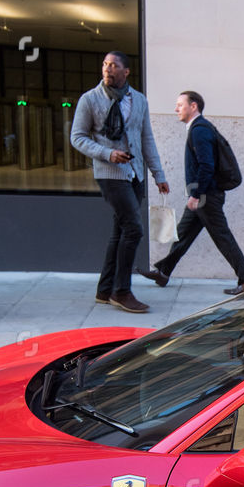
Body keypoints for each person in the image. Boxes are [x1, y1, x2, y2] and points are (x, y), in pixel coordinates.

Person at [70, 50, 168, 314]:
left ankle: (105, 290)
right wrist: (108, 154)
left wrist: (158, 175)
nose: (107, 69)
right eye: (104, 64)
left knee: (120, 232)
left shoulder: (139, 100)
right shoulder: (90, 100)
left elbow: (147, 139)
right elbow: (77, 137)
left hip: (134, 174)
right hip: (109, 174)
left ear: (126, 71)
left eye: (113, 65)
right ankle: (121, 291)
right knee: (134, 229)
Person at [145, 91, 244, 295]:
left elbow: (206, 166)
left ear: (193, 106)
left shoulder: (199, 130)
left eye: (180, 104)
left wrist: (196, 195)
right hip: (203, 195)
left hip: (206, 196)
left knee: (222, 236)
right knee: (184, 233)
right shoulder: (199, 128)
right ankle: (163, 272)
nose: (176, 109)